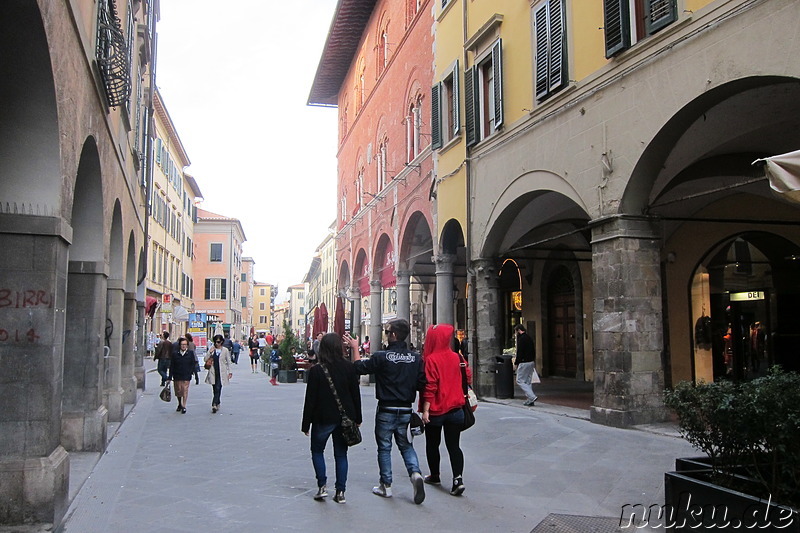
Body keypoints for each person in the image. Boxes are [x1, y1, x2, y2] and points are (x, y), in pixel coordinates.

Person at [347, 319, 426, 504]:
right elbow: (422, 383)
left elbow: (359, 368)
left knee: (384, 447)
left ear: (394, 335)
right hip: (406, 409)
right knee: (406, 446)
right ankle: (415, 472)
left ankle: (386, 485)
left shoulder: (381, 356)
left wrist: (355, 348)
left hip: (386, 408)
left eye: (388, 331)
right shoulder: (416, 359)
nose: (386, 335)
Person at [302, 333, 362, 504]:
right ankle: (340, 491)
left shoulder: (316, 371)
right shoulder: (349, 368)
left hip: (322, 418)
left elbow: (310, 399)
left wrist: (306, 424)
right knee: (341, 455)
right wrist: (358, 417)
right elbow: (355, 395)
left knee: (317, 451)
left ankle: (322, 486)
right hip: (344, 418)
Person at [419, 324, 471, 496]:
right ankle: (458, 479)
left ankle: (435, 475)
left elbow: (430, 387)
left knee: (433, 444)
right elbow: (468, 375)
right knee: (454, 446)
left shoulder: (431, 359)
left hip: (436, 411)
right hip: (456, 409)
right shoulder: (458, 357)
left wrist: (425, 410)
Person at [204, 334, 232, 413]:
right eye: (216, 342)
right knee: (214, 388)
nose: (217, 343)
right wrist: (210, 352)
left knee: (218, 387)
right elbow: (205, 359)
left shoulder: (225, 350)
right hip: (213, 371)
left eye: (219, 342)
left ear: (222, 342)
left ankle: (214, 404)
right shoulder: (212, 349)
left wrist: (230, 372)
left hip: (221, 372)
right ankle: (218, 401)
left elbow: (229, 361)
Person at [168, 337, 196, 414]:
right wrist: (170, 377)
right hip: (177, 375)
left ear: (187, 345)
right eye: (182, 344)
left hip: (186, 375)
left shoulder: (190, 353)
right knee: (178, 390)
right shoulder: (175, 354)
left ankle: (184, 405)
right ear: (179, 345)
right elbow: (172, 365)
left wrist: (191, 372)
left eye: (185, 344)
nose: (183, 346)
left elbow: (193, 363)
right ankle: (179, 403)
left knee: (185, 390)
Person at [514, 324, 538, 406]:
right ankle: (530, 400)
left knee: (519, 380)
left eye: (516, 331)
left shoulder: (521, 339)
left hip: (524, 362)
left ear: (518, 330)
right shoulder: (529, 338)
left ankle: (531, 396)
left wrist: (516, 362)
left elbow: (520, 352)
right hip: (531, 361)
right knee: (527, 381)